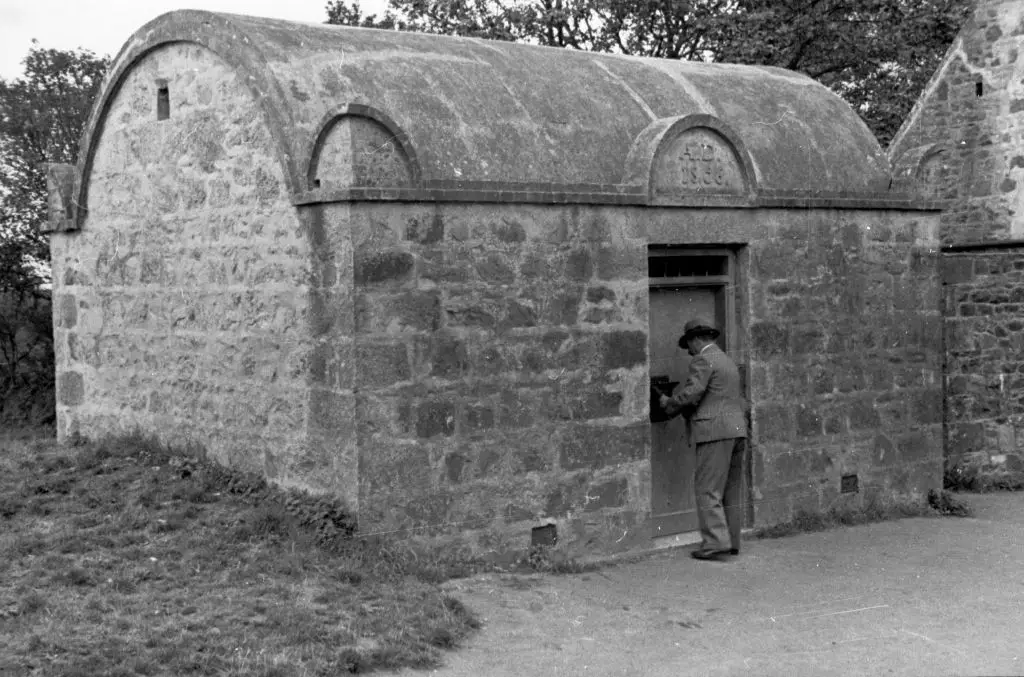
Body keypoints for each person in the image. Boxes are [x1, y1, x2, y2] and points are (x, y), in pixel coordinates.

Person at [659, 317, 747, 561]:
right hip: (737, 430)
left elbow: (692, 393)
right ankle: (731, 541)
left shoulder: (703, 359)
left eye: (689, 345)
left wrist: (669, 404)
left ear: (696, 339)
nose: (689, 352)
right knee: (730, 491)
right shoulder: (726, 360)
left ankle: (715, 543)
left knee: (707, 489)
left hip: (714, 432)